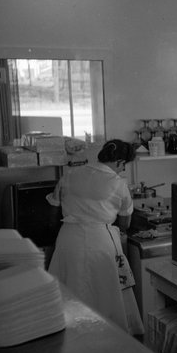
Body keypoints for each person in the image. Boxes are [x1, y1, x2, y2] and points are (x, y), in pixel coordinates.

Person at [47, 139, 144, 336]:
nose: (122, 169)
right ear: (119, 162)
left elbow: (53, 212)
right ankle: (106, 338)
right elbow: (125, 222)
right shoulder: (117, 183)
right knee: (105, 293)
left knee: (71, 290)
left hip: (68, 239)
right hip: (100, 240)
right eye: (123, 165)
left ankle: (71, 336)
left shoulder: (70, 175)